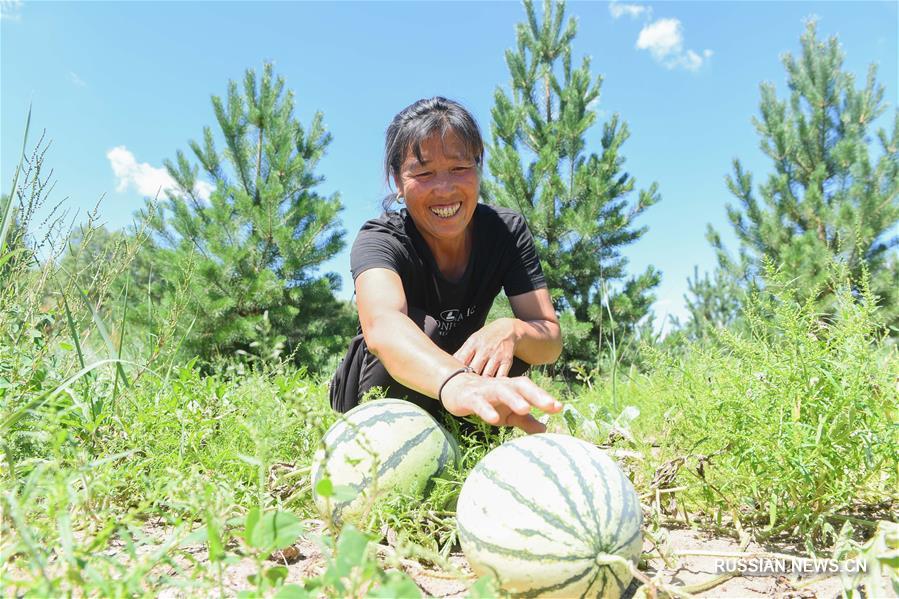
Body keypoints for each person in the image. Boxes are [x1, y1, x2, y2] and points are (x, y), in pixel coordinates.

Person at [329, 97, 563, 434]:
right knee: (424, 327)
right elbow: (383, 325)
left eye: (459, 168)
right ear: (398, 181)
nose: (444, 189)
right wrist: (455, 381)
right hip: (377, 391)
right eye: (423, 173)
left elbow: (550, 339)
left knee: (511, 341)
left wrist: (511, 330)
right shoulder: (380, 238)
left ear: (478, 167)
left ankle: (469, 434)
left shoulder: (505, 232)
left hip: (459, 385)